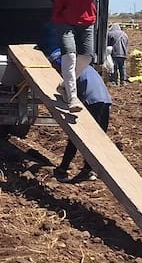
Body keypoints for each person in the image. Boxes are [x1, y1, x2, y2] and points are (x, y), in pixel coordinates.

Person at [38, 0, 108, 112]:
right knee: (69, 55)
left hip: (86, 17)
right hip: (63, 17)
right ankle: (73, 98)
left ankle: (64, 86)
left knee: (86, 57)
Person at [47, 48, 111, 183]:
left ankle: (62, 170)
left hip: (91, 101)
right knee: (97, 136)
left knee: (77, 136)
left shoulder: (71, 71)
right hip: (105, 100)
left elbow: (68, 91)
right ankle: (89, 170)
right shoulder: (85, 66)